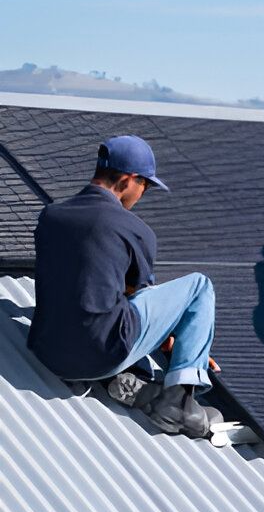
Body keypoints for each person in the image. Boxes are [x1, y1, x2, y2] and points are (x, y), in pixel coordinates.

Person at [29, 135, 219, 438]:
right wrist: (185, 343)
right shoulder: (132, 228)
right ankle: (179, 401)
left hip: (48, 353)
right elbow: (141, 294)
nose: (142, 194)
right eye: (145, 185)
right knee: (199, 286)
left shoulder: (51, 216)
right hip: (100, 354)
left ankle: (136, 381)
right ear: (129, 180)